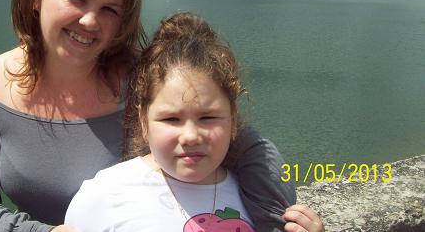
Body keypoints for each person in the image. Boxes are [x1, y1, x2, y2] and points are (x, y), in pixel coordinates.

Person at [0, 0, 297, 232]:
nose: (90, 21)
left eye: (109, 9)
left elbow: (248, 146)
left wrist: (274, 221)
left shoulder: (146, 79)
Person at [65, 12, 323, 232]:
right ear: (143, 121)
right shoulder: (104, 195)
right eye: (171, 118)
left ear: (233, 119)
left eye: (208, 117)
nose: (190, 136)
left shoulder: (254, 195)